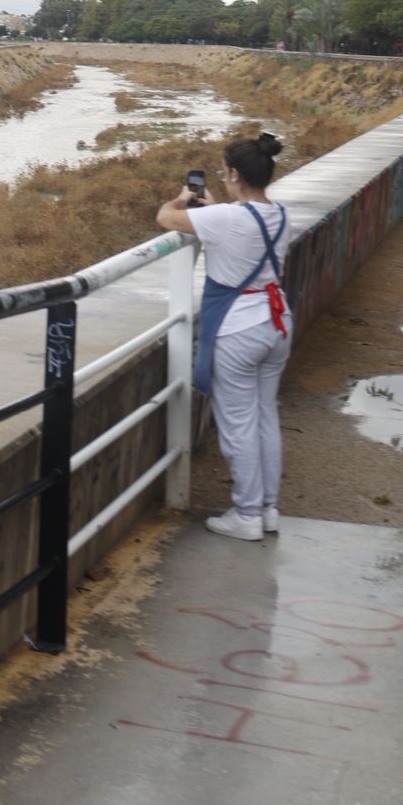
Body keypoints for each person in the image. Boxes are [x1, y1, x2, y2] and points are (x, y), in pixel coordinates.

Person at [155, 133, 294, 542]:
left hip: (239, 328)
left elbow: (165, 219)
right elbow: (241, 223)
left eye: (224, 170)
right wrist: (217, 208)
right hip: (277, 321)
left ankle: (247, 514)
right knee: (265, 414)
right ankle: (267, 509)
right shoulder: (280, 213)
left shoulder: (226, 218)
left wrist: (181, 199)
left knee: (237, 423)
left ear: (233, 174)